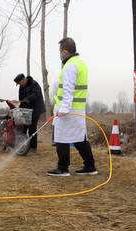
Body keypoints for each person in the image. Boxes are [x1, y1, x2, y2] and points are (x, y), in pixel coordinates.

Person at [47, 37, 97, 176]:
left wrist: (64, 109)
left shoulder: (69, 66)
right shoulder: (80, 63)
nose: (60, 54)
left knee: (61, 137)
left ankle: (62, 168)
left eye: (60, 51)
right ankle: (90, 165)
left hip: (68, 110)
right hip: (78, 109)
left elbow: (69, 89)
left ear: (64, 51)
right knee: (79, 137)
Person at [13, 73, 46, 152]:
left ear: (24, 79)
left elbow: (35, 95)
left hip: (36, 109)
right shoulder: (21, 86)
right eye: (18, 84)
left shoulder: (34, 84)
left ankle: (33, 147)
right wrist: (19, 104)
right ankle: (23, 145)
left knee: (32, 128)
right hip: (26, 110)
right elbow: (20, 98)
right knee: (23, 127)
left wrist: (25, 100)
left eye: (20, 83)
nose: (20, 85)